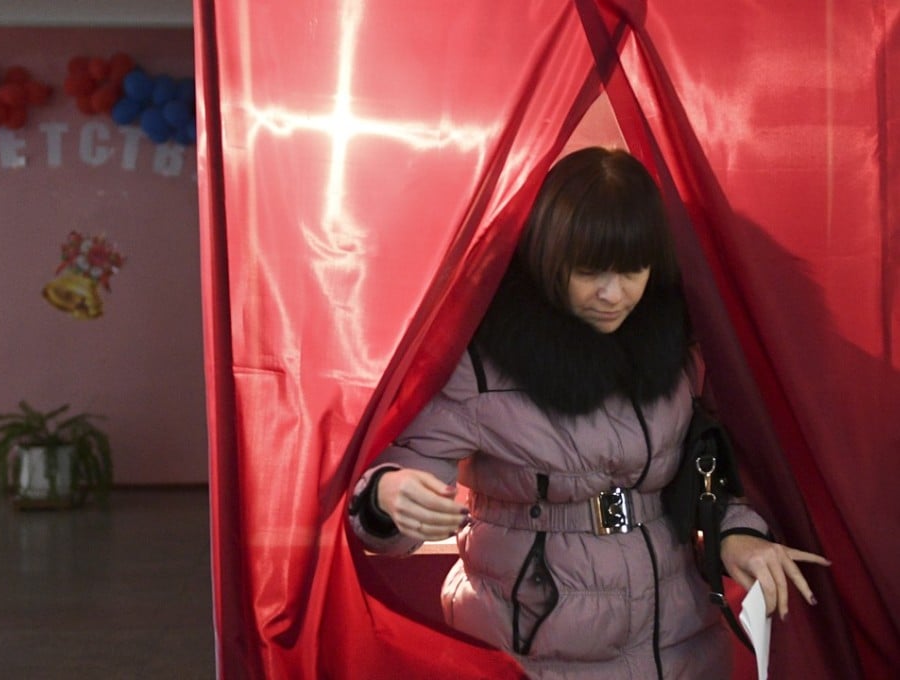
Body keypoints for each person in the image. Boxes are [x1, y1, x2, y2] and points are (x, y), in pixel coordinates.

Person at [348, 147, 830, 679]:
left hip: (678, 638)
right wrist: (388, 496)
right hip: (537, 644)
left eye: (632, 271)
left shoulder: (675, 348)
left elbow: (704, 468)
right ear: (548, 258)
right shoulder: (481, 360)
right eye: (588, 272)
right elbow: (396, 497)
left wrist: (736, 533)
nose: (612, 294)